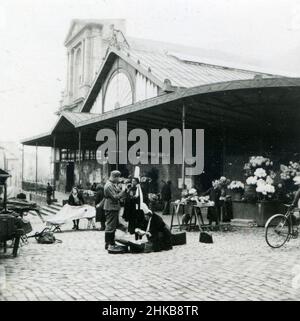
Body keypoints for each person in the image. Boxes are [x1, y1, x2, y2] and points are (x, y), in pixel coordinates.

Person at [103, 171, 126, 250]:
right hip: (111, 207)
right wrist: (123, 191)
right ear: (115, 177)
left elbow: (117, 192)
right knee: (110, 226)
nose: (119, 179)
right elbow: (115, 197)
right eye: (118, 178)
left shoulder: (112, 184)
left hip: (114, 207)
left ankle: (112, 242)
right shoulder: (109, 186)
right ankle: (108, 243)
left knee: (113, 225)